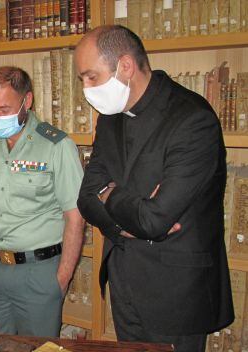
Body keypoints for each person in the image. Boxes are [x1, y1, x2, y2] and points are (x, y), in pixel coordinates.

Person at [75, 25, 233, 351]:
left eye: (91, 77)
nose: (86, 89)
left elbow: (154, 220)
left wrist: (110, 193)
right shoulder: (110, 117)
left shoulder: (192, 119)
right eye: (82, 80)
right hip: (123, 282)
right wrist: (124, 222)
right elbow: (86, 196)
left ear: (126, 67)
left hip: (176, 293)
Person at [0, 66, 85, 337]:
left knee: (36, 348)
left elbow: (75, 217)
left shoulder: (56, 146)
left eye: (4, 110)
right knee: (0, 344)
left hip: (39, 272)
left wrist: (60, 280)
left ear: (26, 101)